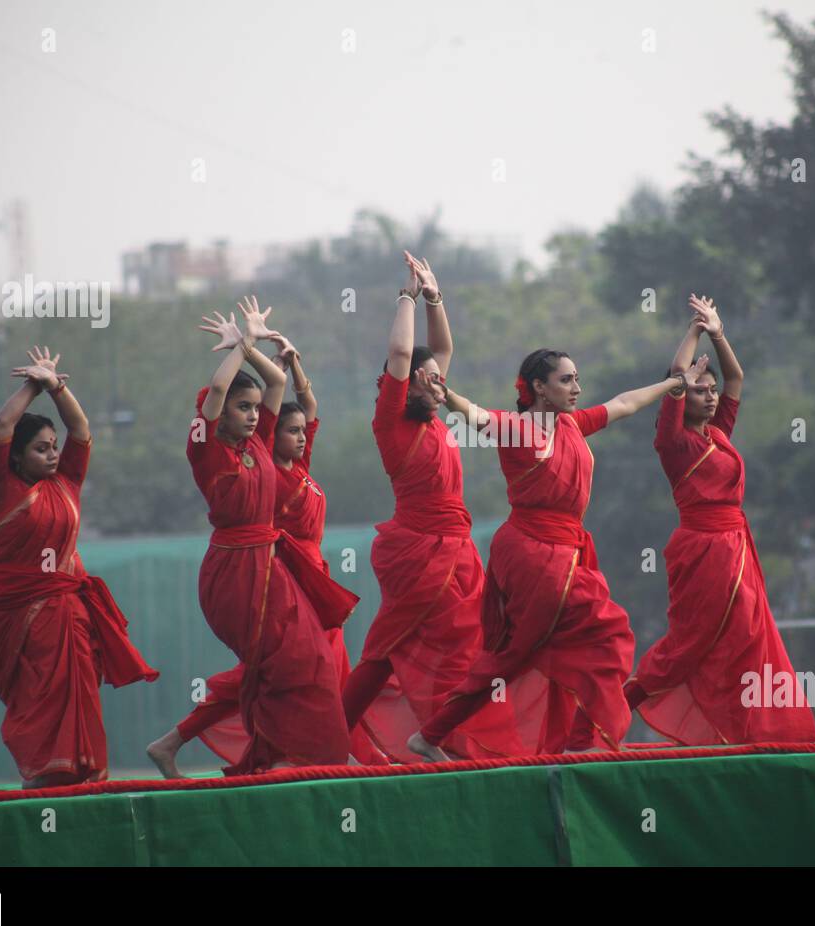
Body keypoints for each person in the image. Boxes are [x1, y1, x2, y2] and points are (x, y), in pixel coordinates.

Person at [407, 347, 713, 759]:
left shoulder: (572, 424)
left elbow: (623, 404)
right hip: (533, 552)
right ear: (538, 387)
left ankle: (430, 735)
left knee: (517, 655)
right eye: (566, 380)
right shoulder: (517, 429)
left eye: (576, 379)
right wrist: (450, 396)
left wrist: (675, 384)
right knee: (607, 633)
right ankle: (581, 742)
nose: (577, 388)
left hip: (566, 552)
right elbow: (476, 415)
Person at [148, 331, 373, 772]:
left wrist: (257, 348)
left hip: (277, 570)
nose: (253, 416)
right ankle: (288, 755)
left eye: (255, 408)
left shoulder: (259, 443)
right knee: (289, 663)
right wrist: (240, 344)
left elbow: (277, 384)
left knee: (303, 663)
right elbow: (216, 390)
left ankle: (285, 756)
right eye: (242, 407)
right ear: (219, 413)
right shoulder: (206, 449)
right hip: (234, 571)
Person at [341, 252, 520, 762]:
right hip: (417, 549)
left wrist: (436, 296)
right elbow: (402, 352)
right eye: (427, 376)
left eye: (438, 376)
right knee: (386, 651)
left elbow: (441, 346)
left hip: (458, 550)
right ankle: (340, 740)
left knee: (449, 646)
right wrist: (407, 297)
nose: (437, 379)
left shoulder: (436, 419)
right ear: (406, 383)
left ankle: (445, 737)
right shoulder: (393, 420)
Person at [626, 295, 815, 744]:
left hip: (737, 548)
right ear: (680, 398)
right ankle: (621, 702)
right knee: (692, 643)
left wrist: (717, 330)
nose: (710, 395)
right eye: (699, 390)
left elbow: (736, 376)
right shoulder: (674, 444)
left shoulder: (718, 434)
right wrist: (692, 334)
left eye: (711, 390)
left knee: (748, 637)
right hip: (705, 550)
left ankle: (755, 730)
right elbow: (676, 378)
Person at [0, 346, 158, 789]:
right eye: (41, 449)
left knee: (81, 698)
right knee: (37, 700)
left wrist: (57, 386)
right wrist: (32, 386)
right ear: (16, 457)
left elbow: (81, 429)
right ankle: (42, 785)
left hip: (69, 613)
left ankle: (82, 781)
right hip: (17, 614)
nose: (53, 454)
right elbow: (2, 426)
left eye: (54, 447)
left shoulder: (66, 483)